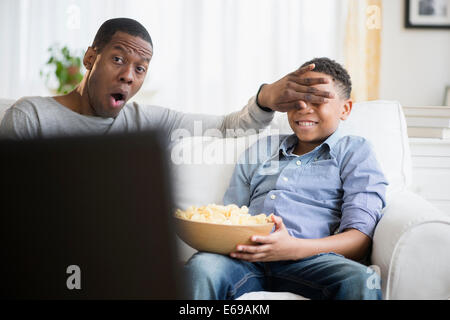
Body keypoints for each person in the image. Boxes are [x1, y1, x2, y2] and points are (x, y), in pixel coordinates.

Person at [184, 57, 388, 300]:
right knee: (201, 268)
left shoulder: (355, 151)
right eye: (295, 100)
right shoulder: (263, 149)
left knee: (362, 280)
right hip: (249, 260)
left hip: (315, 260)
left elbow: (359, 239)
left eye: (318, 99)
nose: (303, 107)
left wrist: (293, 248)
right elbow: (232, 217)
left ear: (345, 109)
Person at [0, 18, 333, 141]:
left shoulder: (147, 122)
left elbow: (227, 128)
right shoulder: (31, 117)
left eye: (140, 68)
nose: (128, 76)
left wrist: (265, 99)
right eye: (118, 59)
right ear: (90, 59)